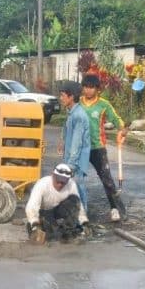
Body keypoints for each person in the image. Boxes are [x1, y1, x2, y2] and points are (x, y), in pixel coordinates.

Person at [79, 73, 128, 221]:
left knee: (106, 179)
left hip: (97, 147)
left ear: (97, 89)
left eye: (91, 87)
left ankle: (116, 209)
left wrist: (123, 128)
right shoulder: (78, 102)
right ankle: (79, 209)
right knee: (76, 179)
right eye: (85, 87)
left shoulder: (103, 104)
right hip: (80, 148)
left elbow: (115, 118)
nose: (87, 90)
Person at [25, 163, 89, 244]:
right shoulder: (42, 184)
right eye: (58, 180)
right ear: (53, 175)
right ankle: (36, 228)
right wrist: (35, 224)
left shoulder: (71, 184)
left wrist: (84, 223)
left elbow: (78, 206)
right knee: (45, 236)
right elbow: (31, 207)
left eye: (63, 182)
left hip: (57, 211)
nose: (60, 184)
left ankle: (67, 234)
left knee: (74, 200)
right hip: (43, 213)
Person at [59, 80, 91, 213]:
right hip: (72, 159)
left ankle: (83, 220)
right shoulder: (72, 113)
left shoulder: (78, 116)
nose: (61, 98)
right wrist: (62, 141)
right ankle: (77, 218)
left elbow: (77, 143)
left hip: (76, 162)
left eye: (62, 95)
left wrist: (71, 165)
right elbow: (68, 132)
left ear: (71, 97)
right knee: (73, 190)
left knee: (78, 188)